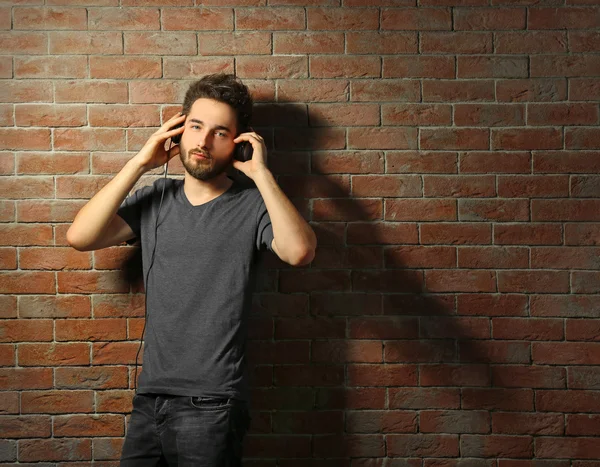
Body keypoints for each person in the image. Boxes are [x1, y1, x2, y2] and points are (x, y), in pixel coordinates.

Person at [66, 74, 317, 466]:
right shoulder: (156, 198)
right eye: (195, 126)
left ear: (238, 142)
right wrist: (140, 163)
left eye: (219, 132)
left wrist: (261, 174)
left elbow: (299, 251)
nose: (202, 141)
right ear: (179, 129)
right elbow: (81, 236)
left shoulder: (253, 205)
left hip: (213, 402)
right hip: (149, 399)